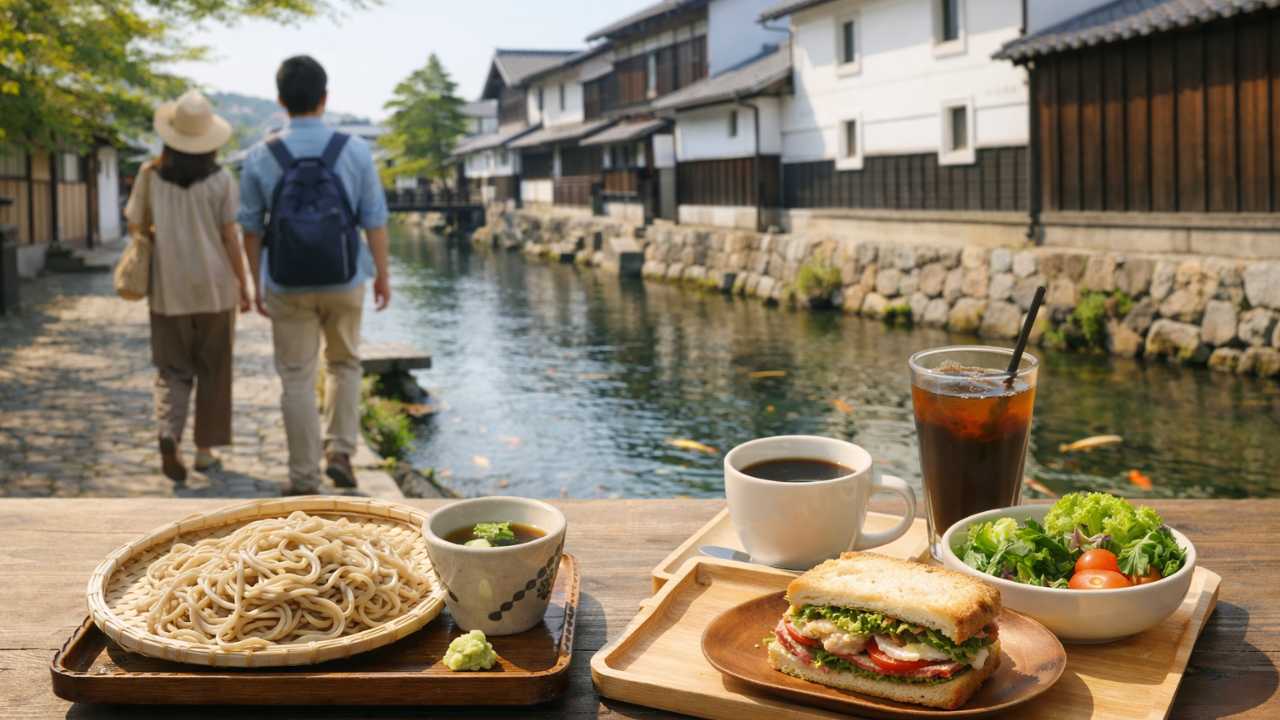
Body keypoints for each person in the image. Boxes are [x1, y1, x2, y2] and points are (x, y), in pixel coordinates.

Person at [238, 55, 391, 494]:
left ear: (280, 101)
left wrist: (255, 281)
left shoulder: (260, 155)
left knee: (296, 377)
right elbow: (375, 219)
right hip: (345, 278)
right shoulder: (355, 149)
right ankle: (341, 452)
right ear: (325, 98)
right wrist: (382, 274)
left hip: (287, 283)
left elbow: (249, 227)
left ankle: (303, 477)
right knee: (345, 362)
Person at [125, 90, 251, 482]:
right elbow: (230, 236)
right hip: (215, 291)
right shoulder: (221, 180)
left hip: (168, 290)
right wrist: (243, 286)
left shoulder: (150, 175)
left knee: (172, 370)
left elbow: (135, 222)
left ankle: (169, 433)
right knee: (214, 370)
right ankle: (204, 452)